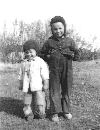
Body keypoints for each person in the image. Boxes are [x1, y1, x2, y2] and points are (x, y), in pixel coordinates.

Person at [40, 16, 79, 122]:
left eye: (60, 28)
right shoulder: (48, 42)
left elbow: (77, 54)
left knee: (66, 89)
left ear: (64, 28)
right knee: (54, 90)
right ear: (52, 30)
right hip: (54, 70)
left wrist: (72, 55)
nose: (58, 31)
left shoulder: (70, 41)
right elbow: (41, 54)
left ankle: (66, 111)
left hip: (67, 70)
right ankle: (55, 112)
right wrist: (48, 57)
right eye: (55, 29)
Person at [18, 40, 49, 120]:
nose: (29, 54)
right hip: (27, 86)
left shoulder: (40, 61)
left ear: (36, 51)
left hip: (37, 85)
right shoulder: (23, 63)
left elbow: (45, 73)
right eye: (27, 52)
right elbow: (21, 74)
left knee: (40, 100)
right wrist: (21, 83)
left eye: (31, 52)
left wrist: (46, 83)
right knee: (27, 101)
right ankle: (28, 114)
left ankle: (40, 113)